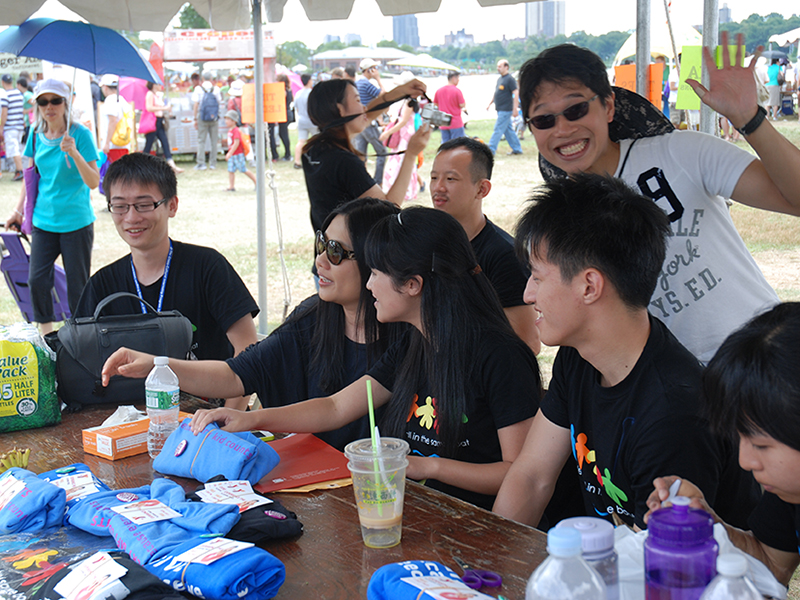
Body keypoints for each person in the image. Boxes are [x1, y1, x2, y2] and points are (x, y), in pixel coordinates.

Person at [187, 207, 541, 510]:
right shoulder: (413, 343)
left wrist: (426, 468)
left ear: (413, 284)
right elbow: (336, 408)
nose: (369, 285)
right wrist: (249, 419)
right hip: (411, 512)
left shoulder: (500, 357)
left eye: (376, 273)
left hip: (467, 526)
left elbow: (519, 474)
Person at [493, 173, 760, 530]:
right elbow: (532, 475)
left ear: (589, 286)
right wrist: (487, 566)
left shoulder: (673, 411)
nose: (528, 294)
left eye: (538, 278)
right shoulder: (580, 355)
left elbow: (659, 564)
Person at [516, 34, 800, 364]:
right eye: (544, 120)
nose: (563, 129)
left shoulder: (681, 152)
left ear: (608, 105)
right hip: (673, 391)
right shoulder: (561, 215)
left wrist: (749, 119)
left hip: (760, 360)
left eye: (576, 109)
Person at [101, 198, 406, 451]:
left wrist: (253, 419)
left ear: (375, 261)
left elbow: (335, 408)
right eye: (321, 244)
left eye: (337, 252)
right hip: (311, 476)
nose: (319, 262)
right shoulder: (313, 317)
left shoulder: (410, 337)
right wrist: (158, 365)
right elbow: (236, 374)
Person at [75, 152, 258, 410]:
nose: (131, 217)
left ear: (172, 205)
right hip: (130, 421)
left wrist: (229, 419)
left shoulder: (207, 267)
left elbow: (248, 350)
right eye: (120, 206)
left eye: (144, 204)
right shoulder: (102, 285)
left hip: (209, 416)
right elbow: (79, 362)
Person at [646, 302, 800, 587]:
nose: (746, 461)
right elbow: (772, 564)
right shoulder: (791, 487)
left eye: (761, 445)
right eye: (739, 437)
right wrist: (708, 524)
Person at [4, 79, 100, 334]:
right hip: (43, 221)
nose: (49, 107)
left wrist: (75, 154)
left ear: (66, 103)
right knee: (37, 280)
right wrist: (18, 210)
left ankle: (80, 334)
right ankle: (46, 334)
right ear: (37, 105)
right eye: (43, 101)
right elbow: (30, 177)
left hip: (76, 222)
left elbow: (93, 181)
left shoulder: (80, 135)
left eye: (55, 100)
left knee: (77, 284)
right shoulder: (35, 135)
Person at [429, 136, 540, 354]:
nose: (438, 187)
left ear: (482, 189)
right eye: (434, 177)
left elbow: (527, 342)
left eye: (451, 179)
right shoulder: (428, 243)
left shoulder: (504, 255)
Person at [300, 77, 431, 236]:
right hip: (348, 256)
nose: (364, 107)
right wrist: (411, 154)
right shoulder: (344, 161)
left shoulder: (313, 150)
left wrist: (401, 91)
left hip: (327, 252)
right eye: (357, 100)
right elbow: (388, 210)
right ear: (340, 109)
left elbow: (366, 115)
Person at [379, 72, 420, 201]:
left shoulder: (409, 102)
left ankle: (404, 190)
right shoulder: (407, 101)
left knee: (401, 160)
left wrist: (388, 132)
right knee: (400, 160)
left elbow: (403, 121)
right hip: (404, 133)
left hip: (405, 135)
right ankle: (403, 189)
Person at [352, 58, 388, 183]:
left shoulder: (357, 83)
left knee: (361, 155)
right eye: (375, 68)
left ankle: (360, 181)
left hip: (358, 124)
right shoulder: (367, 84)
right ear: (370, 70)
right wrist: (378, 79)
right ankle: (378, 181)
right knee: (382, 153)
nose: (377, 70)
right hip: (368, 124)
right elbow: (384, 95)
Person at [141, 81, 182, 174]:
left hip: (159, 121)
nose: (161, 86)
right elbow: (149, 107)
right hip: (153, 122)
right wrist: (164, 108)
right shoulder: (150, 94)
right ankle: (141, 164)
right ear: (154, 85)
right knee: (149, 144)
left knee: (165, 142)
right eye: (159, 85)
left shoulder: (157, 95)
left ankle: (172, 165)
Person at [487, 59, 522, 156]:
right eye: (497, 66)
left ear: (506, 67)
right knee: (508, 130)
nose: (498, 68)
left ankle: (491, 149)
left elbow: (515, 92)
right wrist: (490, 103)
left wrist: (515, 108)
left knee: (498, 128)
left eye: (500, 66)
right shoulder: (500, 79)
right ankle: (517, 148)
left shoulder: (510, 79)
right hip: (499, 108)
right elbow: (496, 93)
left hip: (506, 109)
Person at [97, 74, 130, 162]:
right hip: (123, 142)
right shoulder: (121, 99)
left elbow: (112, 121)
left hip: (113, 145)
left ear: (105, 87)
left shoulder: (110, 100)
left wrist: (107, 143)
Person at [193, 72, 221, 171]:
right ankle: (213, 163)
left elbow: (196, 104)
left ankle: (201, 163)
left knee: (201, 140)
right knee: (214, 141)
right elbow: (219, 102)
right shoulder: (216, 89)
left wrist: (195, 118)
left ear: (203, 78)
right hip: (214, 117)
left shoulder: (198, 89)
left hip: (202, 117)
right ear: (212, 78)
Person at [1, 73, 26, 180]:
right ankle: (19, 170)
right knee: (18, 149)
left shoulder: (5, 95)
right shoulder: (19, 94)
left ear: (2, 82)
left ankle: (20, 171)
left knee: (14, 149)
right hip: (20, 126)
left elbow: (4, 113)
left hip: (10, 127)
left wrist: (1, 127)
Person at [224, 110, 256, 191]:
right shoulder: (230, 130)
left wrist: (230, 153)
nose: (226, 121)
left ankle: (257, 182)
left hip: (237, 154)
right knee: (231, 170)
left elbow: (236, 142)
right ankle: (231, 186)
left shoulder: (236, 130)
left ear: (234, 121)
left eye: (228, 119)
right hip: (232, 154)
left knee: (243, 169)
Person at [433, 71, 466, 142]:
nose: (458, 80)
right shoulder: (457, 91)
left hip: (443, 122)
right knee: (457, 145)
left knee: (445, 145)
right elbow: (462, 105)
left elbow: (435, 104)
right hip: (455, 122)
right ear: (453, 78)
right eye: (458, 78)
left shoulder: (439, 91)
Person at [293, 74, 317, 170]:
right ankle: (315, 158)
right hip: (311, 120)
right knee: (316, 140)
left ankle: (297, 161)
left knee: (301, 141)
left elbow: (297, 109)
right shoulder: (312, 93)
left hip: (301, 120)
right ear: (309, 81)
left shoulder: (298, 94)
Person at [268, 73, 293, 162]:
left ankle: (288, 154)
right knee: (283, 134)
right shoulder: (288, 89)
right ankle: (287, 153)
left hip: (284, 114)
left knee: (283, 134)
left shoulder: (283, 91)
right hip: (288, 113)